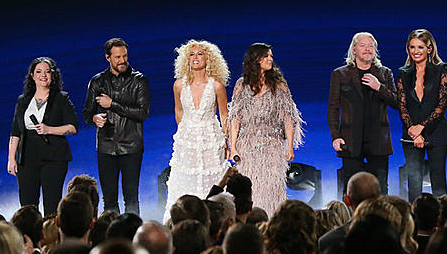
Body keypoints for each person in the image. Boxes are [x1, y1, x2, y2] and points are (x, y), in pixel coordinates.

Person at [227, 43, 305, 215]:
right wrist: (233, 147)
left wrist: (290, 146)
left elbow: (288, 116)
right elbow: (235, 118)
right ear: (255, 60)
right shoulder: (242, 85)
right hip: (248, 146)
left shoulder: (279, 84)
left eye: (271, 56)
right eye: (266, 56)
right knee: (251, 187)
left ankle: (272, 223)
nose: (270, 59)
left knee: (272, 187)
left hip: (273, 147)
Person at [83, 38, 151, 215]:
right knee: (109, 199)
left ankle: (133, 236)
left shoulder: (139, 80)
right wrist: (94, 118)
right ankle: (111, 236)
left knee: (131, 197)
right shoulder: (97, 81)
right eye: (117, 57)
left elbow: (142, 113)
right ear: (108, 58)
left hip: (131, 146)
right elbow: (87, 113)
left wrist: (112, 104)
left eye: (125, 56)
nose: (122, 60)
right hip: (106, 147)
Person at [328, 32, 399, 194]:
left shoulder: (385, 73)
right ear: (354, 50)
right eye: (363, 45)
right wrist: (335, 136)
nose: (367, 49)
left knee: (380, 189)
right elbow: (333, 108)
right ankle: (352, 219)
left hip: (379, 140)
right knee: (351, 189)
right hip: (350, 139)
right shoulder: (340, 74)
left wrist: (379, 87)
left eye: (371, 46)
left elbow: (397, 103)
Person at [8, 57, 79, 215]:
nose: (43, 75)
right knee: (27, 206)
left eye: (47, 72)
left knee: (52, 205)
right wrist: (11, 158)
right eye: (39, 71)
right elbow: (15, 132)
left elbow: (73, 127)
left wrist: (49, 129)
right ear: (32, 75)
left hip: (54, 158)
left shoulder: (61, 98)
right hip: (27, 159)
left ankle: (51, 237)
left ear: (53, 75)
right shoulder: (23, 100)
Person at [166, 40, 229, 217]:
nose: (195, 57)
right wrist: (184, 135)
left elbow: (224, 115)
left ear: (209, 59)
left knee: (212, 180)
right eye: (192, 54)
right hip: (187, 140)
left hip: (211, 139)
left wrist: (226, 141)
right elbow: (178, 111)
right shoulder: (179, 85)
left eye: (200, 54)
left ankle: (212, 218)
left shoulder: (217, 85)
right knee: (186, 179)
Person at [396, 29, 447, 199]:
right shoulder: (403, 73)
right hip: (411, 135)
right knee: (413, 182)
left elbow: (442, 104)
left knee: (438, 181)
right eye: (412, 47)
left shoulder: (441, 69)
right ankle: (415, 223)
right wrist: (413, 130)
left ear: (429, 49)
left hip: (436, 133)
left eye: (420, 47)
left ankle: (442, 223)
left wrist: (422, 128)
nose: (416, 51)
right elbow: (402, 105)